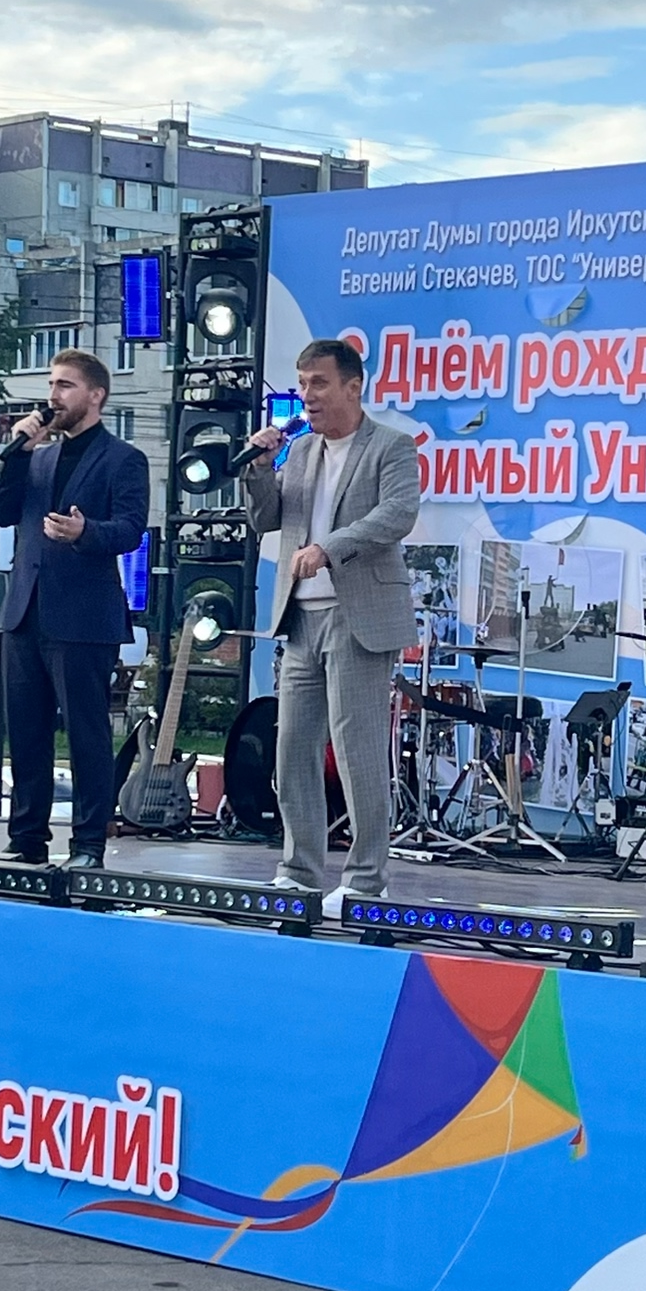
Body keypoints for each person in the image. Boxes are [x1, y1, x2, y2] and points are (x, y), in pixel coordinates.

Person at [242, 338, 420, 917]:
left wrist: (329, 548)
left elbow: (397, 514)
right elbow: (267, 519)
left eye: (318, 383)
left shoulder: (390, 447)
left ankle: (367, 879)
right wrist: (259, 469)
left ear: (353, 386)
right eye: (301, 384)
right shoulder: (299, 451)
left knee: (356, 750)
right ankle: (298, 871)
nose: (307, 395)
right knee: (292, 748)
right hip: (300, 617)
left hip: (357, 616)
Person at [0, 348, 150, 867]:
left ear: (95, 395)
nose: (53, 396)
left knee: (86, 734)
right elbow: (0, 514)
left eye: (64, 385)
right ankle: (27, 838)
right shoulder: (36, 457)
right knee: (27, 733)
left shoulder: (123, 459)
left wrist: (85, 532)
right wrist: (16, 454)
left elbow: (130, 530)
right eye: (51, 385)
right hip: (25, 611)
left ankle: (88, 845)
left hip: (83, 617)